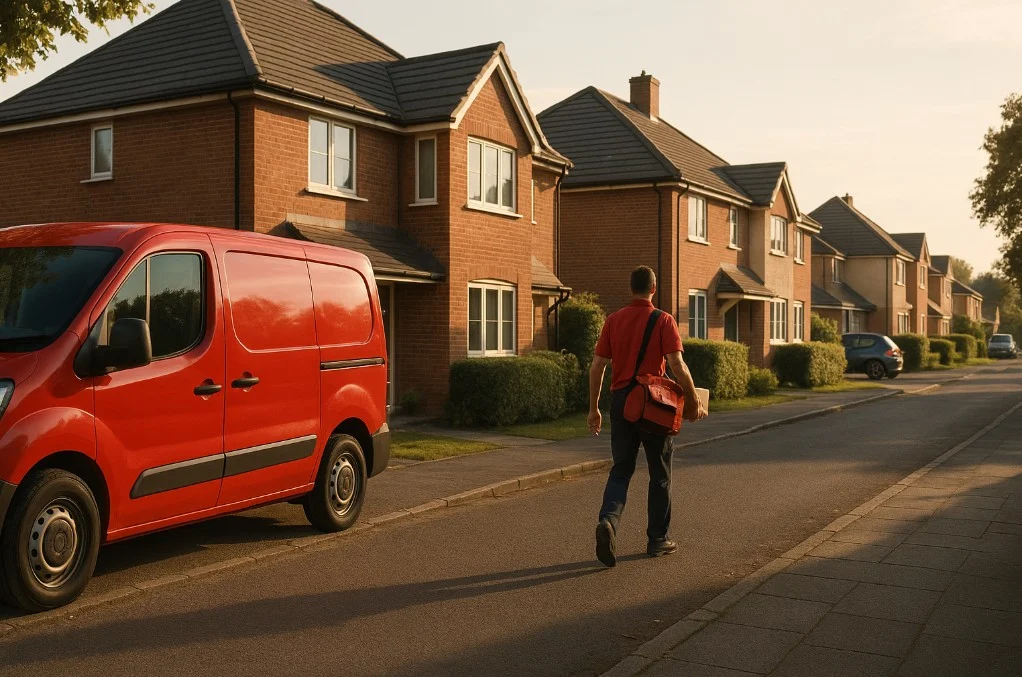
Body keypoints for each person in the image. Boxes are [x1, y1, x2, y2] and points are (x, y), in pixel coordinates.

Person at [587, 265, 707, 567]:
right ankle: (657, 540)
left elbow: (597, 366)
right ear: (654, 288)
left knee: (621, 470)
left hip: (621, 403)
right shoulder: (664, 320)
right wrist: (692, 400)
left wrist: (594, 408)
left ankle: (609, 522)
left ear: (632, 288)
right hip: (653, 404)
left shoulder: (613, 321)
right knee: (660, 475)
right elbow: (677, 364)